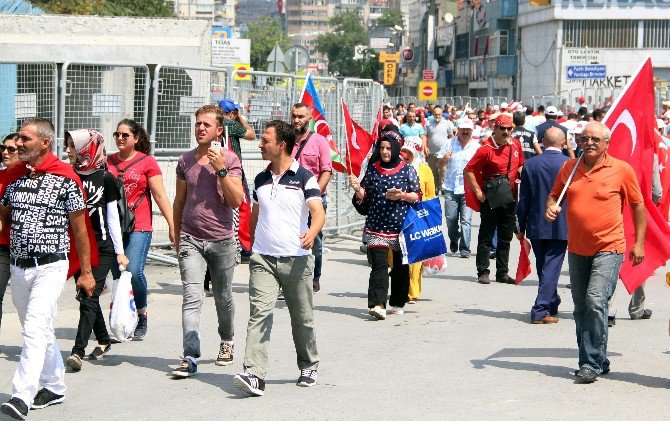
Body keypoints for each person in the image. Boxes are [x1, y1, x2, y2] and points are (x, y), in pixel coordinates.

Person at [0, 119, 95, 419]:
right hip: (19, 267)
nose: (18, 144)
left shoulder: (66, 178)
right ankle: (54, 385)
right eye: (17, 138)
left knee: (34, 327)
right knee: (37, 327)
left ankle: (21, 395)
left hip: (51, 266)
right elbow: (3, 218)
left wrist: (87, 272)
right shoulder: (13, 177)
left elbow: (81, 230)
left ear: (44, 143)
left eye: (25, 139)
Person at [546, 121, 646, 383]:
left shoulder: (621, 170)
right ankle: (599, 358)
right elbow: (554, 196)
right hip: (577, 248)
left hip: (609, 247)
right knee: (580, 308)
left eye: (595, 140)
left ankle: (589, 363)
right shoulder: (570, 168)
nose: (589, 143)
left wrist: (639, 243)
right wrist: (551, 207)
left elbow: (638, 206)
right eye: (584, 139)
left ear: (606, 144)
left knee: (595, 300)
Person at [233, 120, 325, 397]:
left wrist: (312, 232)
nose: (260, 145)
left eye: (265, 140)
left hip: (297, 259)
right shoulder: (260, 179)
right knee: (259, 314)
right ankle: (255, 374)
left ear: (281, 145)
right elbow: (256, 214)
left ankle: (309, 364)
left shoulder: (305, 177)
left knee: (302, 317)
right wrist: (251, 244)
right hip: (263, 259)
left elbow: (317, 211)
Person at [170, 105, 245, 378]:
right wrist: (175, 231)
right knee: (191, 297)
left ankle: (227, 341)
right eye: (198, 123)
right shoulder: (185, 160)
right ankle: (190, 355)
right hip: (191, 238)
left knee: (223, 297)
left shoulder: (230, 159)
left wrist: (221, 168)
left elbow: (236, 201)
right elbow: (179, 200)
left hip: (222, 240)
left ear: (218, 131)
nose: (201, 128)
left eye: (206, 124)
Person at [63, 130, 129, 371]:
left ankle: (77, 351)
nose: (68, 150)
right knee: (86, 294)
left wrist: (119, 251)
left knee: (88, 296)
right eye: (68, 146)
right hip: (79, 248)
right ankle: (102, 339)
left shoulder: (106, 178)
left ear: (86, 148)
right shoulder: (68, 176)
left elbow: (113, 218)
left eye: (73, 146)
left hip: (102, 247)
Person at [108, 119, 174, 340]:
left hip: (140, 225)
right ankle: (125, 316)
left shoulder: (147, 162)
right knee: (118, 274)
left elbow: (160, 195)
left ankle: (142, 312)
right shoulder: (107, 162)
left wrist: (173, 225)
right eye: (117, 134)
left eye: (125, 135)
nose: (120, 138)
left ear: (136, 138)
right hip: (115, 227)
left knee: (134, 271)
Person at [349, 131, 421, 319]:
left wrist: (403, 196)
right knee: (379, 267)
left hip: (400, 228)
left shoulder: (408, 169)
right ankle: (377, 304)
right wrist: (358, 189)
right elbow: (366, 197)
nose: (385, 152)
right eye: (381, 148)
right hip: (376, 226)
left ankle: (397, 302)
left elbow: (417, 195)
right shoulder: (373, 169)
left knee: (400, 268)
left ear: (396, 149)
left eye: (389, 148)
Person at [517, 127, 569, 324]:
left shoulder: (530, 164)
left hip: (537, 222)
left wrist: (520, 226)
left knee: (544, 266)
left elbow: (524, 199)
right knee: (551, 267)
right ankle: (540, 309)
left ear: (541, 142)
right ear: (563, 143)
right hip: (562, 223)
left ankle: (551, 301)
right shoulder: (569, 164)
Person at [464, 114, 524, 285]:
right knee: (486, 235)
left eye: (509, 128)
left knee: (506, 237)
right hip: (490, 198)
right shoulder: (486, 149)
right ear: (495, 129)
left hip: (510, 197)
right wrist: (478, 193)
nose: (506, 132)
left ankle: (502, 273)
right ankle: (483, 271)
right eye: (502, 128)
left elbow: (520, 163)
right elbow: (469, 170)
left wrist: (520, 174)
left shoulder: (516, 145)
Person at [290, 103, 333, 293]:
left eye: (301, 116)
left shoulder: (320, 141)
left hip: (314, 200)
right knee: (290, 239)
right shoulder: (286, 141)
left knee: (314, 240)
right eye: (294, 116)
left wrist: (313, 193)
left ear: (309, 119)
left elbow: (326, 171)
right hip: (290, 200)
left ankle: (314, 277)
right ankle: (292, 278)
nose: (297, 120)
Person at [400, 136, 435, 303]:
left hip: (418, 216)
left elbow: (431, 195)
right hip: (398, 215)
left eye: (409, 151)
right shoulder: (397, 167)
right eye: (404, 151)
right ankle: (400, 287)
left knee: (415, 257)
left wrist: (429, 219)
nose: (405, 154)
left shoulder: (424, 169)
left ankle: (412, 292)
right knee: (398, 256)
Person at [437, 119, 479, 258]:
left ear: (472, 131)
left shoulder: (476, 147)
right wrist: (444, 159)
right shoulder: (449, 144)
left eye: (468, 130)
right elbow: (438, 164)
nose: (465, 132)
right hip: (450, 187)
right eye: (463, 130)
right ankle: (454, 238)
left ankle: (465, 248)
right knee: (451, 218)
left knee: (466, 220)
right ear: (458, 130)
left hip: (468, 189)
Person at [0, 133, 21, 350]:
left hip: (28, 250)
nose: (5, 152)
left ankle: (100, 334)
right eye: (3, 148)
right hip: (3, 248)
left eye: (11, 149)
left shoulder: (30, 178)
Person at [424, 106, 454, 192]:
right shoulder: (428, 123)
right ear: (433, 114)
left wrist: (451, 148)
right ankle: (436, 188)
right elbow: (424, 137)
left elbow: (451, 136)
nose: (438, 116)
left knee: (443, 170)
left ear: (442, 114)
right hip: (431, 152)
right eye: (436, 114)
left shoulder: (446, 123)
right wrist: (425, 147)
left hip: (443, 153)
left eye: (439, 114)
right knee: (433, 171)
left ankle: (443, 188)